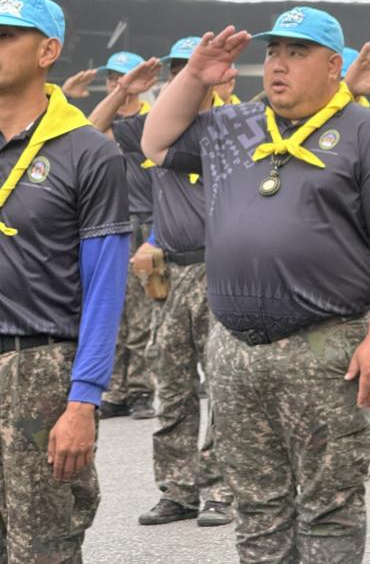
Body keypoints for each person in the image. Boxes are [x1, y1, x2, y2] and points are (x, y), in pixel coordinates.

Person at [141, 6, 370, 563]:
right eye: (273, 52)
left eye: (297, 54)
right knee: (256, 505)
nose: (278, 65)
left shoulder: (367, 134)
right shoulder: (235, 125)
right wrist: (196, 75)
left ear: (333, 66)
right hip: (235, 349)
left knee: (329, 504)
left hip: (324, 344)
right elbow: (157, 141)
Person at [0, 0, 131, 560]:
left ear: (47, 51)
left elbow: (105, 286)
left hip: (40, 368)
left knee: (42, 546)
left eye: (5, 37)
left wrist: (83, 402)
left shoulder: (86, 152)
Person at [88, 40, 234, 527]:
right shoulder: (152, 130)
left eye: (191, 70)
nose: (182, 78)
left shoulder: (234, 127)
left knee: (223, 386)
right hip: (171, 271)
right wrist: (123, 92)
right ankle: (178, 490)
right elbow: (91, 133)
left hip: (222, 268)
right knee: (171, 385)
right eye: (177, 71)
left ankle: (221, 490)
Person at [83, 51, 157, 420]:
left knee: (142, 314)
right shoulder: (107, 122)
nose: (117, 82)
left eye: (123, 77)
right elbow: (89, 130)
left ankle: (141, 390)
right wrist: (116, 95)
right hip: (112, 222)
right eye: (112, 77)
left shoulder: (152, 120)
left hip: (146, 222)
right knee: (113, 310)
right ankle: (116, 390)